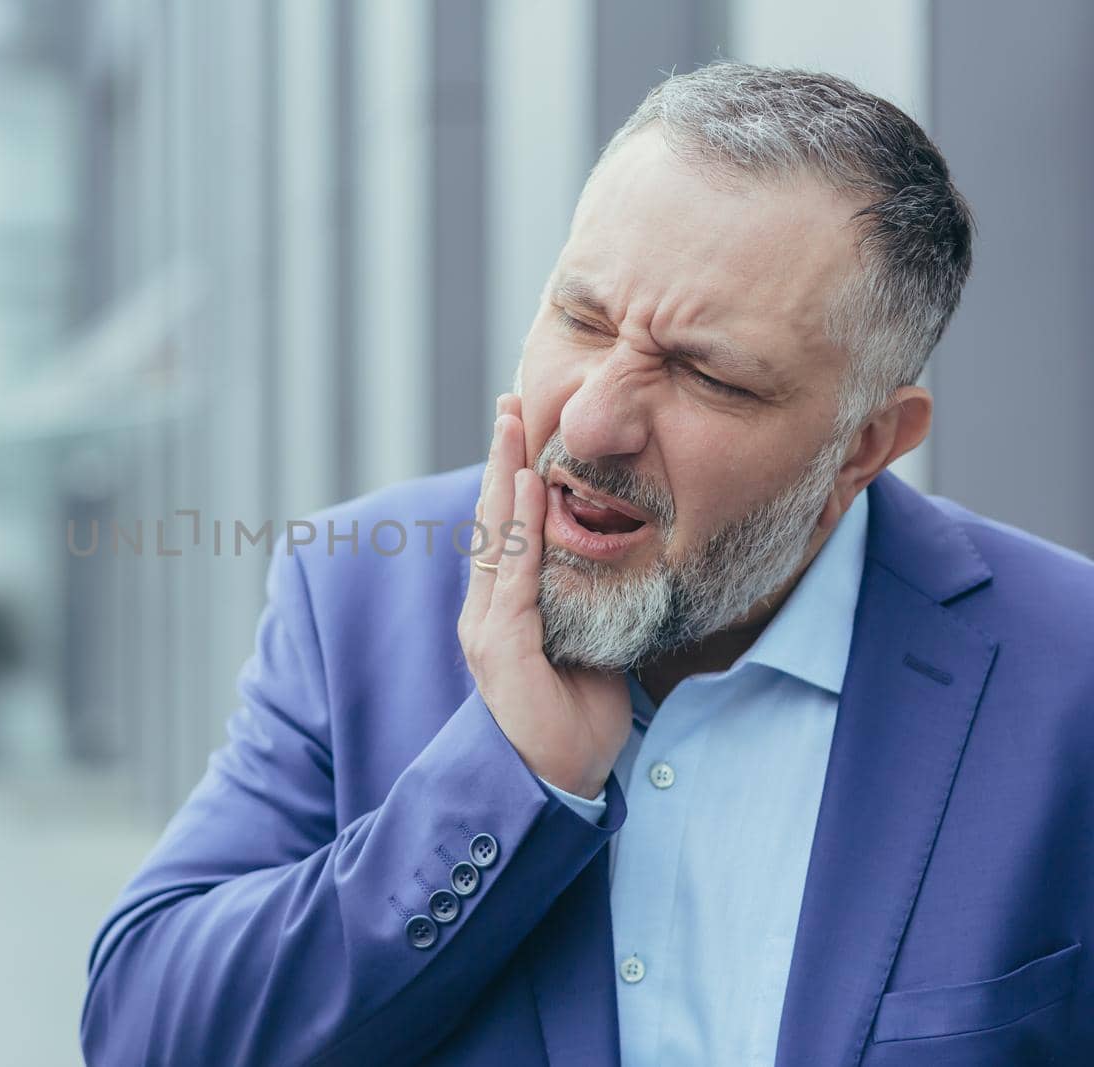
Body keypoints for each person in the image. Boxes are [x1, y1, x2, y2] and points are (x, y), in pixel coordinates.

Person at [80, 62, 1093, 1066]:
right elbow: (146, 1031)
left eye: (707, 374)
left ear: (865, 443)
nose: (591, 420)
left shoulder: (1065, 672)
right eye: (581, 318)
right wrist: (506, 778)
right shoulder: (355, 599)